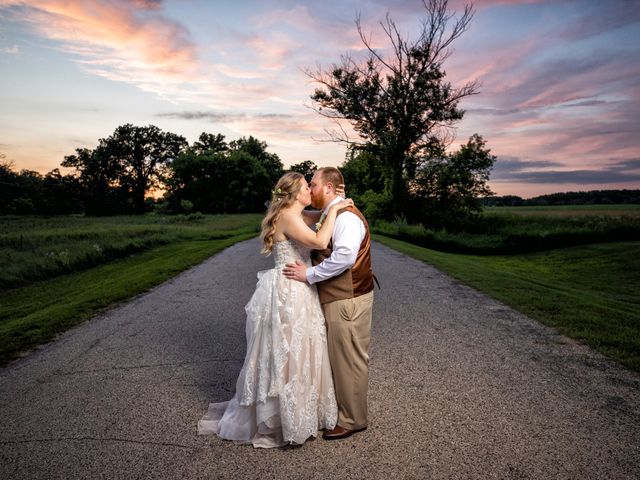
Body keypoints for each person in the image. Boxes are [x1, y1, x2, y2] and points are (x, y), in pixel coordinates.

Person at [197, 172, 353, 448]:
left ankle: (299, 412)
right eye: (307, 187)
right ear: (295, 194)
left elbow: (320, 215)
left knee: (301, 348)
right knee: (289, 350)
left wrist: (334, 200)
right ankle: (285, 418)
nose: (311, 190)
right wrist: (338, 207)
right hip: (289, 292)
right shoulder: (289, 217)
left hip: (300, 288)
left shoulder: (297, 214)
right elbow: (319, 242)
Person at [283, 167, 375, 440]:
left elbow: (345, 257)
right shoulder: (331, 212)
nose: (310, 189)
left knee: (349, 360)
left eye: (313, 184)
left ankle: (352, 420)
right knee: (341, 358)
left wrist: (309, 274)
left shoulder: (345, 217)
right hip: (342, 296)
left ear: (328, 188)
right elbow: (290, 210)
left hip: (347, 298)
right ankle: (346, 412)